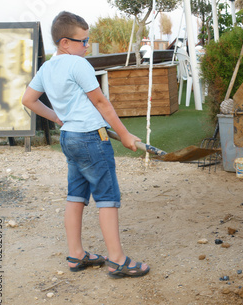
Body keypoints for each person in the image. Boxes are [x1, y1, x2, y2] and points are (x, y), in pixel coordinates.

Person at [22, 11, 149, 279]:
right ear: (65, 43)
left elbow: (29, 100)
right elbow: (101, 103)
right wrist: (125, 134)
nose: (87, 45)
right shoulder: (78, 64)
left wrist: (58, 118)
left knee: (75, 196)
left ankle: (76, 254)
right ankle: (117, 260)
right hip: (91, 137)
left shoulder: (47, 68)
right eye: (83, 41)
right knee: (107, 197)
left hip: (70, 138)